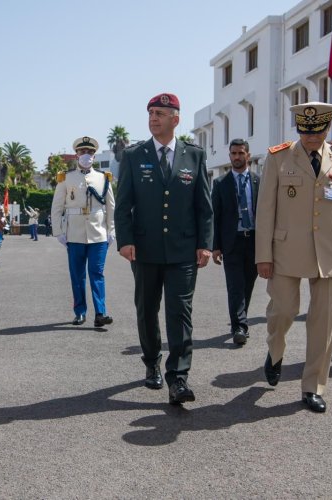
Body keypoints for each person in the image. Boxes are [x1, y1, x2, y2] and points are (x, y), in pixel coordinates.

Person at [256, 102, 332, 413]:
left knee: (323, 323)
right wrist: (263, 255)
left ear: (327, 129)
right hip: (286, 250)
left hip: (330, 252)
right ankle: (275, 351)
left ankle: (313, 386)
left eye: (317, 132)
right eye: (305, 131)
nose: (311, 137)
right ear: (299, 129)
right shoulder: (278, 157)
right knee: (284, 311)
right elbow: (265, 211)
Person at [115, 93, 213, 405]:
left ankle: (179, 377)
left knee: (180, 312)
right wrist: (125, 239)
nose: (153, 118)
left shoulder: (193, 156)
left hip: (183, 250)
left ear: (176, 119)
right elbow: (124, 203)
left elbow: (204, 206)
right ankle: (151, 362)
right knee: (147, 310)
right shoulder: (134, 155)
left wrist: (205, 245)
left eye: (160, 113)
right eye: (151, 113)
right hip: (144, 249)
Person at [51, 135, 115, 327]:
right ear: (76, 155)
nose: (86, 155)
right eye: (82, 152)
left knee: (97, 273)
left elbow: (111, 207)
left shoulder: (103, 178)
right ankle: (80, 312)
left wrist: (111, 230)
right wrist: (58, 231)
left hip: (98, 233)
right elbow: (57, 207)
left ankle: (100, 313)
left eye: (89, 152)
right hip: (74, 233)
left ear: (94, 156)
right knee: (77, 275)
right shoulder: (66, 178)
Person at [212, 139, 259, 345]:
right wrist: (215, 246)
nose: (236, 157)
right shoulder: (220, 183)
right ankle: (239, 326)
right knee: (235, 286)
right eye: (233, 153)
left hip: (254, 241)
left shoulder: (260, 181)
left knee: (248, 284)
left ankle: (241, 320)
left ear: (248, 155)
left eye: (240, 153)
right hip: (232, 242)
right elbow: (216, 216)